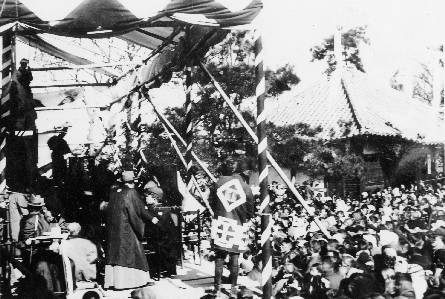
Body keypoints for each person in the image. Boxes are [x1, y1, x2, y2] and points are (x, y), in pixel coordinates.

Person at [104, 170, 159, 290]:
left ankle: (114, 282)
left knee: (115, 254)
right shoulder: (131, 192)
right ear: (133, 181)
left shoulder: (114, 192)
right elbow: (139, 209)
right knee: (133, 253)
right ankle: (132, 282)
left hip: (114, 231)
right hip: (126, 229)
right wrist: (152, 218)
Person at [208, 160, 255, 298]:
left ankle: (217, 289)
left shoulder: (220, 181)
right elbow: (250, 212)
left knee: (219, 258)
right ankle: (233, 289)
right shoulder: (246, 188)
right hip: (237, 226)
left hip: (221, 224)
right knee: (235, 259)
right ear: (245, 172)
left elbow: (212, 202)